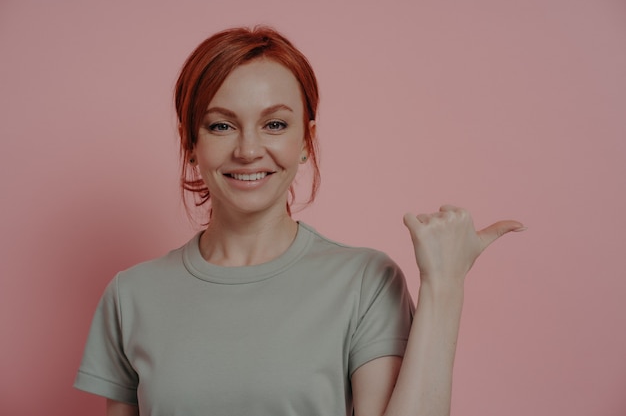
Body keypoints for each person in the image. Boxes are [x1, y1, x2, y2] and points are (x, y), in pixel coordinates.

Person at [74, 26, 524, 416]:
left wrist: (445, 286)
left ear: (306, 141)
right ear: (189, 143)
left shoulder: (365, 282)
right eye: (220, 126)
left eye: (274, 125)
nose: (248, 150)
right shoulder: (130, 296)